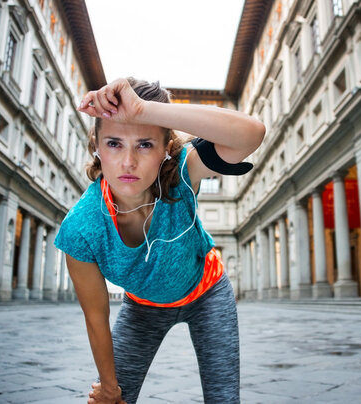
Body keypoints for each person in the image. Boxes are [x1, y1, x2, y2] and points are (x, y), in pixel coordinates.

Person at [54, 77, 265, 404]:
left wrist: (146, 110)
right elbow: (96, 317)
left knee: (224, 399)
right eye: (113, 143)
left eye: (145, 144)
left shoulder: (181, 172)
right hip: (143, 308)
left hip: (208, 293)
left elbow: (251, 133)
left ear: (166, 149)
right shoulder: (80, 229)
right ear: (95, 144)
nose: (128, 162)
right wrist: (109, 389)